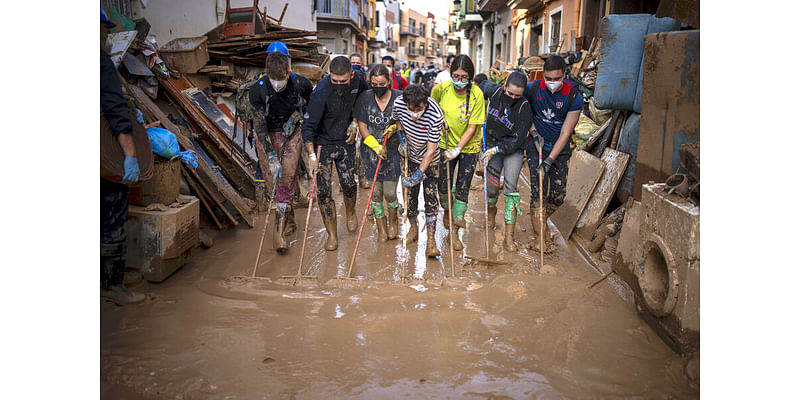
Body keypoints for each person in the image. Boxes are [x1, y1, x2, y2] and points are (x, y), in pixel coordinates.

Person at [249, 43, 313, 253]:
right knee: (273, 183)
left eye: (282, 79)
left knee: (287, 178)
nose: (278, 83)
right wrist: (269, 153)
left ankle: (278, 236)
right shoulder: (257, 89)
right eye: (273, 79)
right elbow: (258, 124)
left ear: (289, 72)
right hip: (266, 135)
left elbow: (310, 107)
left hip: (291, 134)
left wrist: (297, 117)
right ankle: (290, 219)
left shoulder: (301, 83)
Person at [100, 8, 146, 305]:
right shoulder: (98, 61)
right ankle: (110, 285)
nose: (107, 38)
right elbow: (115, 110)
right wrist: (130, 155)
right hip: (103, 154)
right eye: (105, 32)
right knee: (112, 211)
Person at [302, 56, 369, 251]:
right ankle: (331, 234)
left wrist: (356, 121)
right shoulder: (321, 92)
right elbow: (308, 126)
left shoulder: (359, 81)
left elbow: (363, 101)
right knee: (324, 193)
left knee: (349, 183)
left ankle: (350, 211)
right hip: (322, 143)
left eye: (343, 81)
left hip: (345, 140)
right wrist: (312, 156)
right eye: (335, 81)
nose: (339, 84)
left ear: (351, 75)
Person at [523, 55, 582, 251]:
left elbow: (566, 132)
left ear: (565, 75)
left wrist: (549, 160)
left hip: (559, 149)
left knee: (558, 196)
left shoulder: (574, 95)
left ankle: (541, 221)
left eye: (557, 79)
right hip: (535, 146)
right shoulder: (532, 89)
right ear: (543, 75)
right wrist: (533, 132)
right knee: (538, 193)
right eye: (548, 78)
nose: (552, 83)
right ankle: (540, 238)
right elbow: (526, 115)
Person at [430, 54, 485, 251]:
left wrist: (458, 149)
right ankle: (447, 209)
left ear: (470, 77)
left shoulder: (477, 94)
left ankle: (454, 232)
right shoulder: (441, 89)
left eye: (464, 77)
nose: (459, 80)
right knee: (443, 187)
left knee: (462, 188)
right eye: (456, 75)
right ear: (450, 72)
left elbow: (472, 128)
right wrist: (438, 119)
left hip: (468, 148)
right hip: (444, 144)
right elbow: (430, 107)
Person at [477, 71, 532, 251]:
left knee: (511, 190)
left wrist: (498, 150)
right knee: (492, 188)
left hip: (512, 149)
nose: (513, 97)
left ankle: (509, 237)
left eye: (517, 95)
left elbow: (518, 139)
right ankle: (491, 213)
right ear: (504, 86)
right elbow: (479, 83)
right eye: (510, 93)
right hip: (491, 141)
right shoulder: (492, 91)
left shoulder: (524, 107)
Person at [388, 85, 444, 258]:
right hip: (409, 156)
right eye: (410, 109)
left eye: (418, 109)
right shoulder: (398, 104)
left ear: (425, 103)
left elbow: (431, 150)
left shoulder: (435, 113)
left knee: (431, 198)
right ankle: (413, 228)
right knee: (409, 197)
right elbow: (398, 122)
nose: (414, 113)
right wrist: (402, 139)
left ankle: (431, 240)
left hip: (430, 160)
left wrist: (419, 174)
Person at [354, 65, 403, 242]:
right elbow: (362, 125)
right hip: (371, 151)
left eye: (381, 83)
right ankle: (381, 227)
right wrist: (375, 146)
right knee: (375, 193)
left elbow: (405, 121)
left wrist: (394, 128)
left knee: (390, 192)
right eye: (374, 83)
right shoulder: (365, 98)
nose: (378, 86)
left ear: (389, 82)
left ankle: (393, 221)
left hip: (393, 151)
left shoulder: (399, 98)